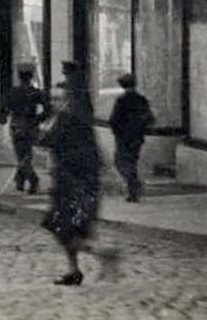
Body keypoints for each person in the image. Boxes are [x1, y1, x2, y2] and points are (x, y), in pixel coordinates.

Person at [40, 80, 113, 285]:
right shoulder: (84, 120)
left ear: (69, 100)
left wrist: (45, 129)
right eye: (54, 99)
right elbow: (97, 152)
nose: (55, 103)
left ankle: (103, 255)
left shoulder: (65, 119)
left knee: (61, 227)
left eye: (59, 98)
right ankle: (74, 270)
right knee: (75, 228)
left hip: (69, 185)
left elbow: (48, 141)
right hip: (85, 184)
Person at [2, 63, 52, 193]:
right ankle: (20, 179)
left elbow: (3, 111)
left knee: (21, 155)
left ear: (19, 76)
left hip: (16, 124)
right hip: (31, 125)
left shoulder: (12, 92)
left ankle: (32, 179)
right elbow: (48, 109)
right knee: (26, 154)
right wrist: (38, 120)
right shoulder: (36, 92)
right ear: (31, 76)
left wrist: (3, 117)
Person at [108, 72, 155, 202]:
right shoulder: (141, 99)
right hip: (137, 137)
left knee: (121, 162)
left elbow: (114, 119)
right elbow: (150, 118)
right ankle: (133, 189)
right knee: (132, 162)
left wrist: (116, 130)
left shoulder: (121, 100)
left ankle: (133, 185)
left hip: (123, 137)